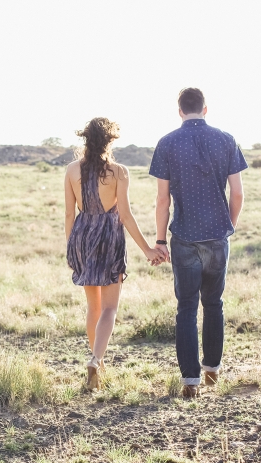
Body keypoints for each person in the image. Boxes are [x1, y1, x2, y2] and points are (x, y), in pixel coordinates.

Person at [149, 88, 247, 398]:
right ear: (205, 109)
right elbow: (238, 194)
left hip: (184, 238)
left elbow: (162, 199)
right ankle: (212, 372)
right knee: (214, 305)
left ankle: (190, 382)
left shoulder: (166, 143)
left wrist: (160, 239)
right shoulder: (227, 140)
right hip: (217, 237)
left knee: (186, 308)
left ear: (179, 111)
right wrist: (227, 226)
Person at [65, 117, 164, 390]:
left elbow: (68, 214)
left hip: (82, 238)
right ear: (110, 142)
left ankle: (98, 362)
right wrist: (148, 249)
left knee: (93, 307)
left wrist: (71, 249)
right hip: (109, 237)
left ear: (86, 139)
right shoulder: (119, 172)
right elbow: (126, 216)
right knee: (109, 308)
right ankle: (96, 360)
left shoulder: (72, 170)